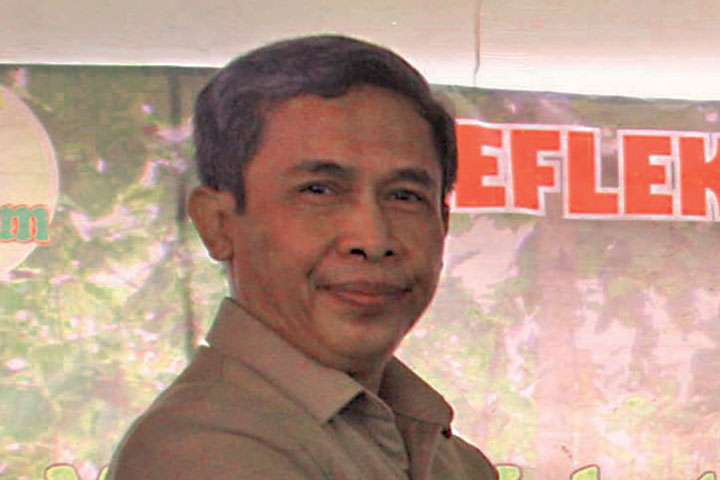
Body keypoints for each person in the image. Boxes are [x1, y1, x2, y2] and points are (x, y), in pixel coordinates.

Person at [106, 35, 498, 480]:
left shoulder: (449, 458)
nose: (373, 239)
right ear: (218, 224)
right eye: (319, 190)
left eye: (405, 196)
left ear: (443, 224)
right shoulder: (202, 449)